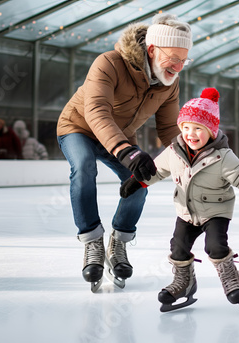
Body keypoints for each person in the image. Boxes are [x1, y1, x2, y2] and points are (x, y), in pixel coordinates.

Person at [57, 13, 193, 291]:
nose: (178, 67)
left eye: (184, 60)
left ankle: (118, 242)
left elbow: (168, 128)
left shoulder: (170, 82)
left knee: (142, 182)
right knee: (83, 167)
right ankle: (92, 241)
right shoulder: (109, 63)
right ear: (153, 50)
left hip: (121, 136)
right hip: (78, 127)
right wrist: (125, 151)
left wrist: (190, 157)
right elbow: (96, 111)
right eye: (173, 58)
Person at [120, 88, 239, 312]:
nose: (191, 134)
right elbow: (157, 170)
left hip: (216, 211)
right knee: (178, 249)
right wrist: (137, 181)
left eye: (198, 128)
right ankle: (184, 283)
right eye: (186, 127)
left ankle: (230, 277)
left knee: (215, 247)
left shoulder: (223, 156)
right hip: (186, 212)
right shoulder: (174, 151)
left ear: (211, 131)